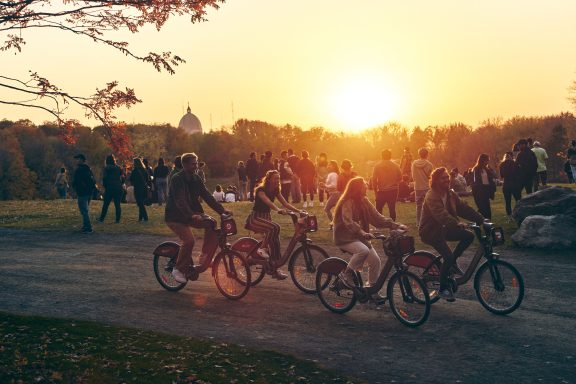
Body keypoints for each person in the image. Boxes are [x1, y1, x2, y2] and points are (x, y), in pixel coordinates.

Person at [333, 177, 408, 303]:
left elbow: (377, 217)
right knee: (363, 251)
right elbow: (348, 221)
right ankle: (346, 274)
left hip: (358, 237)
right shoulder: (347, 201)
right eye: (364, 185)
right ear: (357, 188)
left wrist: (395, 225)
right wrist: (362, 232)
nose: (366, 186)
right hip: (344, 237)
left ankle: (372, 291)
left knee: (375, 261)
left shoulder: (364, 200)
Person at [419, 167, 484, 302]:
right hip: (430, 231)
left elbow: (463, 208)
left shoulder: (450, 194)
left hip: (444, 229)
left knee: (469, 236)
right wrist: (456, 223)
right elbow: (440, 214)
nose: (447, 179)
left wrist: (480, 219)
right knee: (447, 256)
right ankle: (443, 288)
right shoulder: (431, 195)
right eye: (443, 178)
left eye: (447, 177)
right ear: (435, 180)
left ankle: (452, 263)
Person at [166, 153, 231, 283]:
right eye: (193, 163)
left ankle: (204, 257)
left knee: (212, 223)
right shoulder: (177, 178)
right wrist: (191, 215)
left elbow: (207, 196)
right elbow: (180, 200)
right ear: (184, 165)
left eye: (196, 163)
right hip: (176, 216)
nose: (196, 165)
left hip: (191, 213)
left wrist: (222, 211)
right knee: (189, 241)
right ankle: (178, 269)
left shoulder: (196, 178)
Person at [246, 170, 302, 280]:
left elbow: (285, 203)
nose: (277, 180)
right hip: (256, 218)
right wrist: (278, 210)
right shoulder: (260, 190)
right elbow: (268, 202)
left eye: (278, 178)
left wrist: (299, 211)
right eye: (275, 178)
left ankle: (274, 268)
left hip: (266, 218)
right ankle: (261, 249)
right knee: (275, 227)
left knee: (276, 242)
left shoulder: (276, 190)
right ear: (269, 179)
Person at [371, 149, 402, 221]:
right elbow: (400, 177)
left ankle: (378, 226)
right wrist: (394, 182)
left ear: (381, 156)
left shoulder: (377, 166)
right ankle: (393, 227)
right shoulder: (395, 165)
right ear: (390, 156)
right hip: (393, 190)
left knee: (378, 209)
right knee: (392, 208)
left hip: (381, 190)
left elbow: (374, 180)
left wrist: (375, 191)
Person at [72, 154, 97, 233]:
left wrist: (74, 187)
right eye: (76, 159)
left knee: (84, 210)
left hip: (82, 192)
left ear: (82, 160)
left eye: (78, 159)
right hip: (89, 192)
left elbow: (76, 181)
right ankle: (85, 225)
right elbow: (93, 180)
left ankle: (88, 227)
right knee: (85, 210)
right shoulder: (88, 169)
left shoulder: (79, 170)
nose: (76, 160)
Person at [411, 147, 433, 227]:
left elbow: (413, 176)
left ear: (419, 154)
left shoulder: (414, 164)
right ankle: (429, 221)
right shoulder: (430, 165)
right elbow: (431, 177)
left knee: (418, 206)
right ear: (427, 154)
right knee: (429, 205)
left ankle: (418, 223)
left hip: (417, 187)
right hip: (427, 186)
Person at [98, 154, 124, 223]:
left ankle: (101, 219)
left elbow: (104, 178)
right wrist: (121, 183)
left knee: (106, 204)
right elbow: (123, 177)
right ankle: (117, 220)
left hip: (110, 188)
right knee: (117, 204)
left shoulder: (106, 168)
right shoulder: (119, 168)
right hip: (118, 187)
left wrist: (105, 186)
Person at [471, 153, 496, 220]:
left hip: (486, 191)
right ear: (482, 160)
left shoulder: (487, 169)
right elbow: (475, 182)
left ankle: (488, 222)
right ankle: (478, 221)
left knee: (487, 209)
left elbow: (491, 179)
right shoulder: (476, 169)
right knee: (482, 209)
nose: (487, 162)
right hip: (479, 191)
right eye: (486, 160)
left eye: (488, 160)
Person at [499, 151, 521, 219]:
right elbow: (518, 173)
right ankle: (519, 213)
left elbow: (502, 175)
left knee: (507, 202)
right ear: (512, 156)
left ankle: (509, 216)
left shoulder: (502, 164)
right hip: (514, 184)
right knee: (518, 200)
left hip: (506, 184)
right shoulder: (515, 163)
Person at [130, 157, 150, 222]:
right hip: (144, 188)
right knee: (141, 203)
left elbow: (131, 179)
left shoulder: (135, 171)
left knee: (140, 203)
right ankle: (140, 218)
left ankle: (145, 217)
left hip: (138, 188)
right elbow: (147, 179)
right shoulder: (144, 170)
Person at [322, 160, 339, 230]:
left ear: (334, 167)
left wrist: (325, 185)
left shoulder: (333, 174)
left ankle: (334, 224)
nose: (328, 166)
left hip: (335, 194)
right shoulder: (332, 174)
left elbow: (334, 185)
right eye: (328, 164)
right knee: (337, 211)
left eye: (330, 165)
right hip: (334, 194)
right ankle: (335, 224)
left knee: (326, 209)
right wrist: (324, 186)